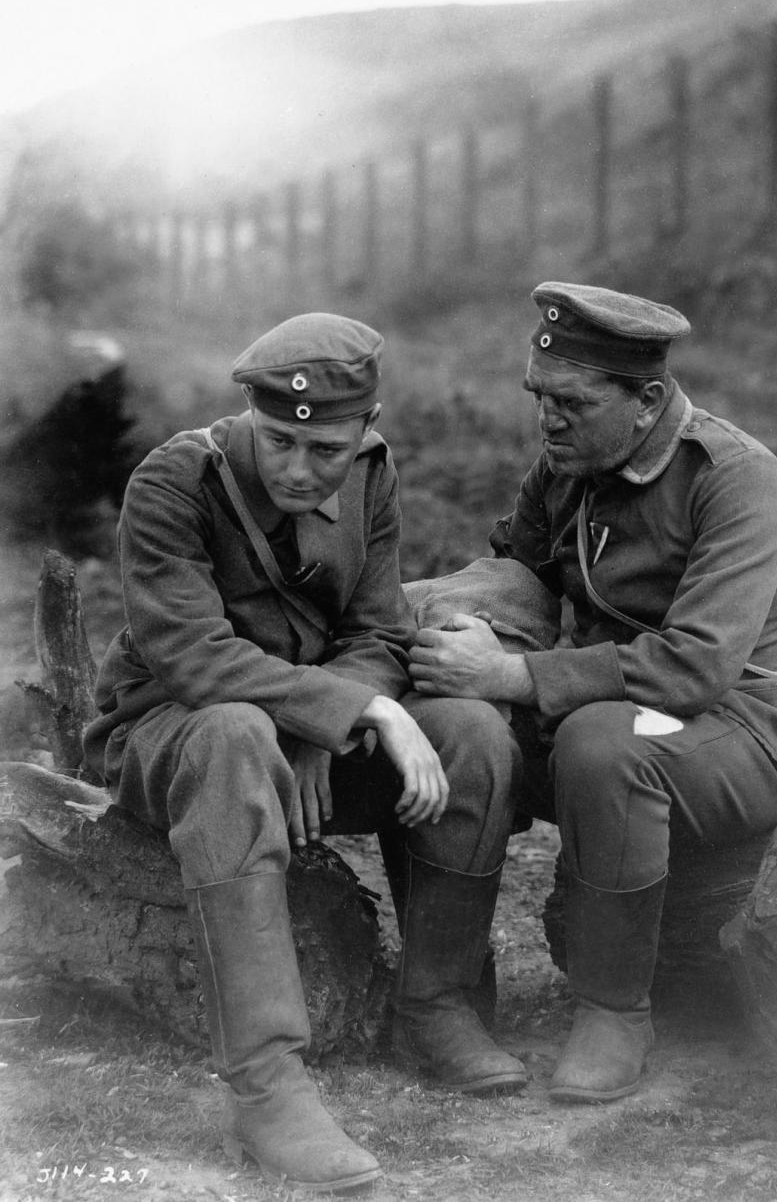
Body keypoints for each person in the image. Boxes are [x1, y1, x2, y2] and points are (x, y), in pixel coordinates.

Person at [82, 313, 526, 1194]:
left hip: (294, 735)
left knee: (469, 731)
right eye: (278, 440)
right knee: (239, 733)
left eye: (323, 448)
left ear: (363, 429)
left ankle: (434, 1004)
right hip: (175, 737)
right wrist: (348, 710)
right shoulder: (176, 480)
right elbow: (194, 658)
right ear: (249, 416)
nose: (297, 467)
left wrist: (337, 726)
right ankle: (268, 1086)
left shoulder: (372, 475)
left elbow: (374, 628)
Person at [407, 282, 777, 1105]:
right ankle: (442, 996)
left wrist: (514, 674)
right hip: (609, 715)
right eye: (540, 398)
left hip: (746, 730)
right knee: (465, 727)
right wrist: (434, 619)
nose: (548, 421)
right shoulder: (569, 469)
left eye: (570, 402)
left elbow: (699, 666)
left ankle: (613, 1010)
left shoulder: (738, 480)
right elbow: (518, 579)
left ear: (646, 400)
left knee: (602, 742)